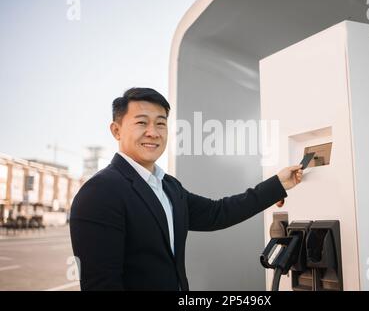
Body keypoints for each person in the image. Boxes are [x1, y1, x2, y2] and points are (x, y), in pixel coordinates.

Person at [69, 88, 303, 290]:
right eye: (141, 122)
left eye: (161, 123)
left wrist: (278, 184)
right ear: (116, 130)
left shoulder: (168, 186)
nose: (153, 132)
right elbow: (102, 285)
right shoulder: (100, 192)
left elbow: (218, 212)